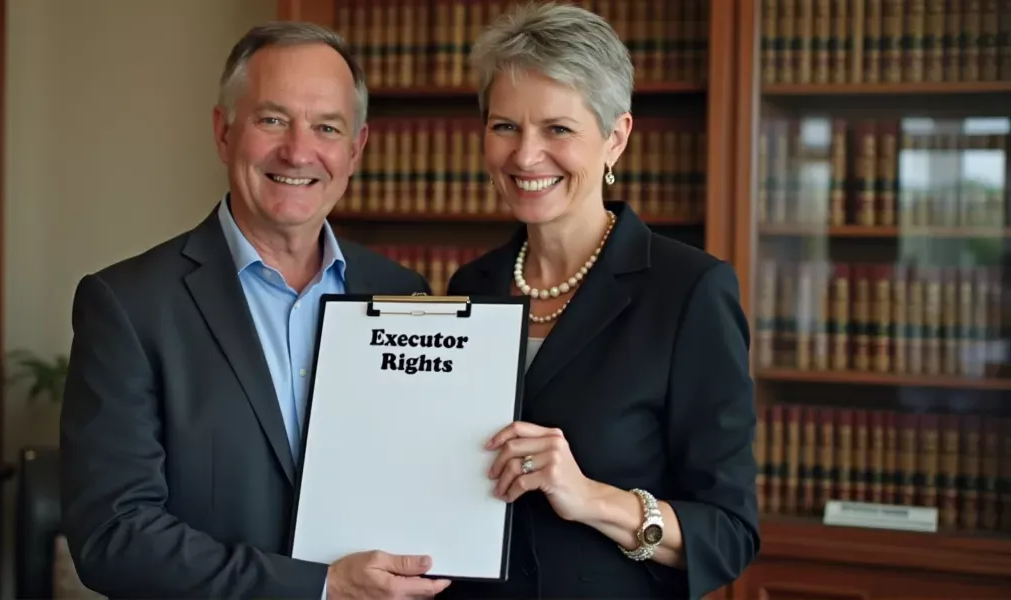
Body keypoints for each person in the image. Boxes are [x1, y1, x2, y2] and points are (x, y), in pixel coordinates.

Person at [59, 22, 452, 600]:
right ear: (224, 132)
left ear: (355, 149)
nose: (298, 150)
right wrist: (319, 588)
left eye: (326, 127)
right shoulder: (128, 306)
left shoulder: (403, 296)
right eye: (272, 120)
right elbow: (113, 538)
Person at [443, 3, 760, 598]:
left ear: (615, 138)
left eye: (557, 129)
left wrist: (591, 498)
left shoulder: (689, 292)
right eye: (505, 126)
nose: (525, 156)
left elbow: (728, 531)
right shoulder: (470, 286)